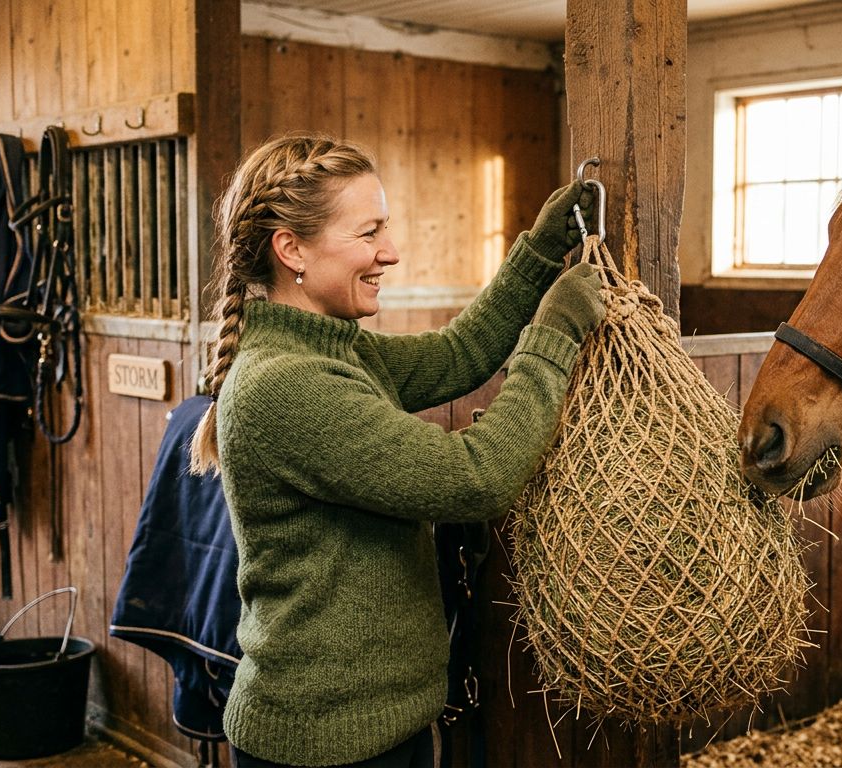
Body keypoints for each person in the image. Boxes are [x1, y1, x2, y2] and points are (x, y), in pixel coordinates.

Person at [188, 134, 605, 768]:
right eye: (368, 233)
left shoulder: (330, 348)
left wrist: (541, 252)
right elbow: (478, 477)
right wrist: (556, 332)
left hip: (378, 727)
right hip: (326, 744)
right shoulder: (286, 383)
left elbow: (458, 354)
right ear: (291, 249)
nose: (391, 251)